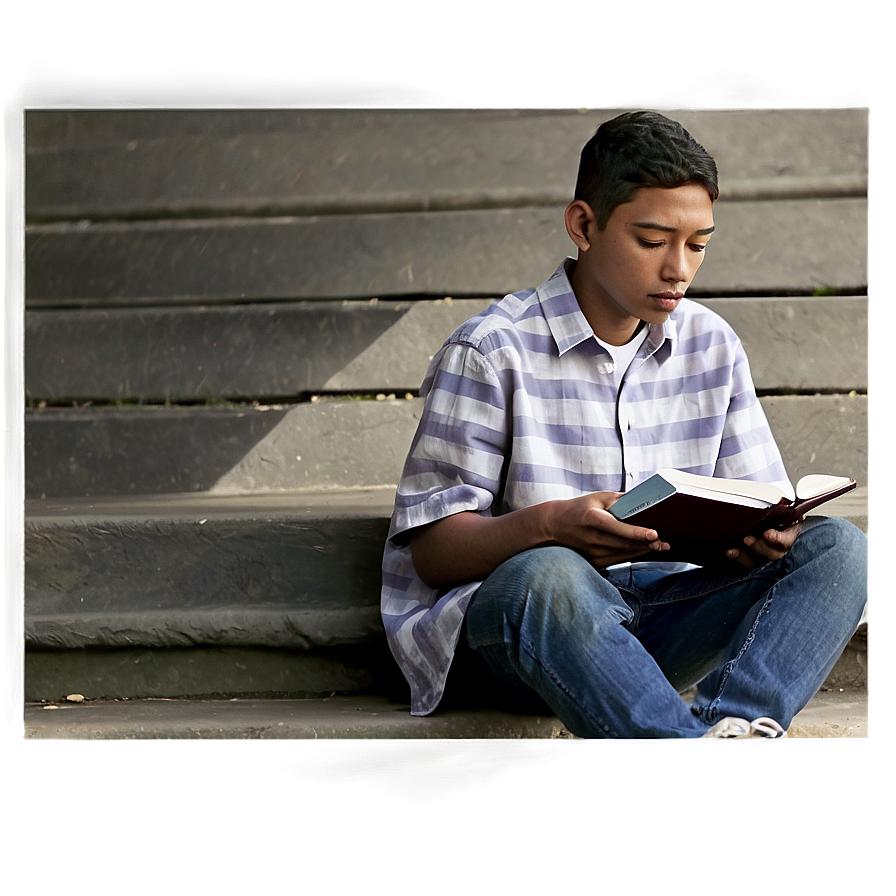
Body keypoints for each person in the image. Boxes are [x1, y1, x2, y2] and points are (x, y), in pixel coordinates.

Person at [380, 111, 867, 738]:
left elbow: (759, 498)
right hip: (531, 634)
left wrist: (764, 533)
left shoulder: (711, 345)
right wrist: (550, 525)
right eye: (652, 241)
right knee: (549, 574)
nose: (679, 270)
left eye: (697, 245)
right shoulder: (492, 351)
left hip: (667, 620)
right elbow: (434, 552)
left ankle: (737, 735)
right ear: (584, 224)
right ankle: (682, 775)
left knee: (840, 548)